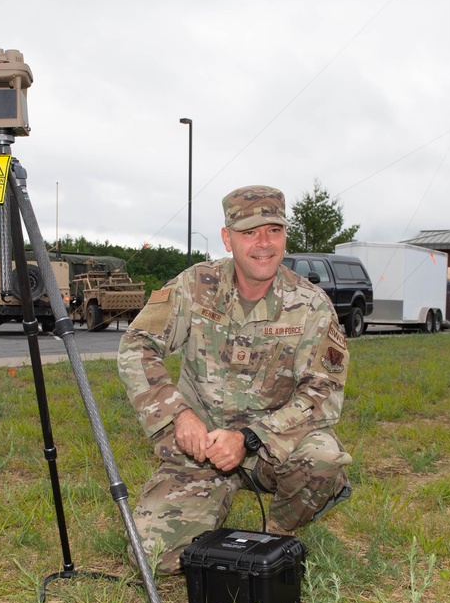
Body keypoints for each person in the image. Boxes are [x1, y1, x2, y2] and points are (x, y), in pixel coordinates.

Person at [117, 185, 352, 574]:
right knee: (153, 559)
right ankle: (212, 493)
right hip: (202, 447)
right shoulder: (194, 286)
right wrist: (179, 415)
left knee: (322, 459)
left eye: (274, 230)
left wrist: (248, 439)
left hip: (269, 447)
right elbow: (136, 345)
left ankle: (277, 533)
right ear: (228, 239)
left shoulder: (311, 304)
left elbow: (322, 392)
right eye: (250, 232)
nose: (264, 243)